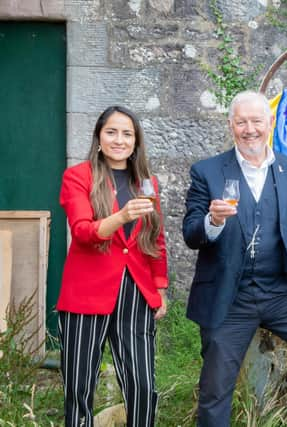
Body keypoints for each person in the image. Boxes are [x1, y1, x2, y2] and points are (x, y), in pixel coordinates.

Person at [182, 90, 287, 427]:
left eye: (256, 121)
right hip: (229, 297)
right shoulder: (207, 172)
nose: (249, 129)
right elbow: (190, 235)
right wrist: (212, 222)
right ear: (231, 126)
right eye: (241, 122)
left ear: (269, 123)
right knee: (215, 388)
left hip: (283, 293)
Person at [57, 106, 168, 427]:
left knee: (143, 384)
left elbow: (155, 239)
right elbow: (82, 231)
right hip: (86, 294)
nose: (119, 140)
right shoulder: (77, 177)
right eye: (111, 132)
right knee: (79, 386)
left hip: (137, 291)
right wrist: (121, 216)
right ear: (99, 137)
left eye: (127, 133)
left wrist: (159, 287)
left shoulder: (146, 182)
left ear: (136, 141)